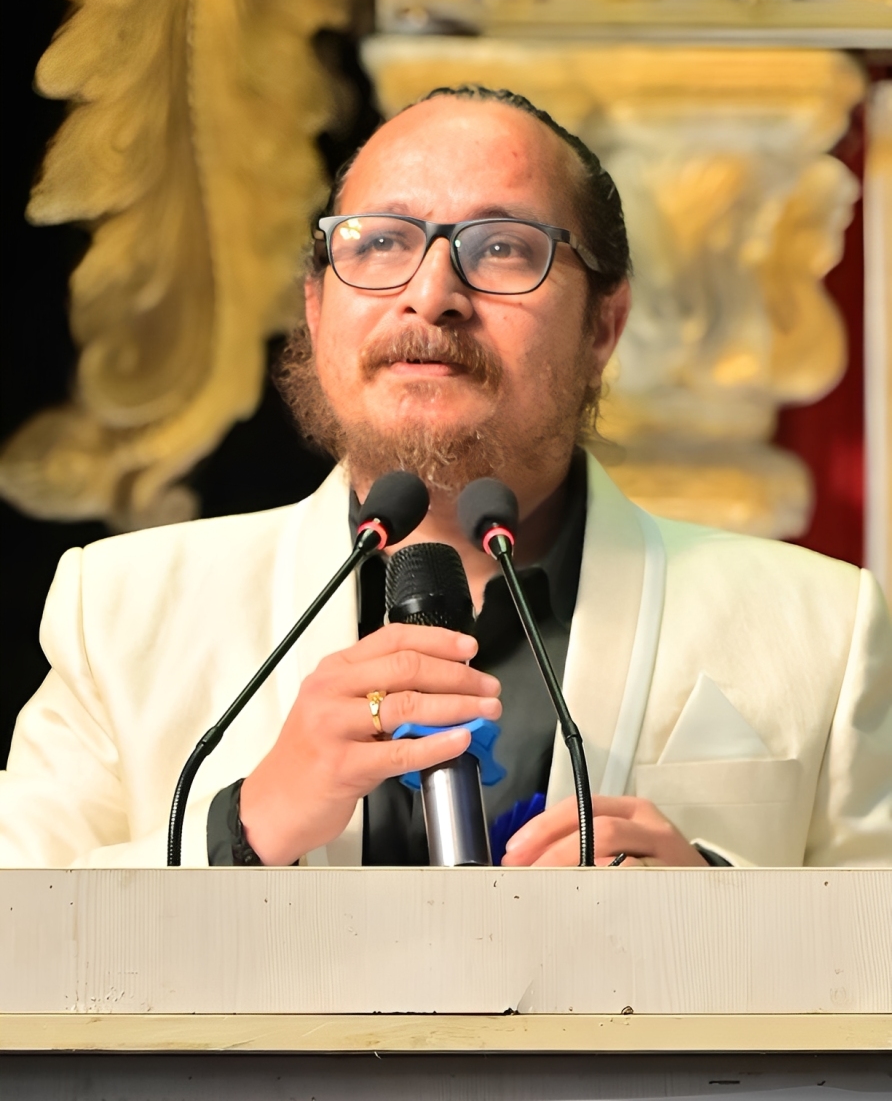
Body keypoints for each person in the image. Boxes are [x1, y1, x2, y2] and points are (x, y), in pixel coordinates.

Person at [1, 86, 889, 869]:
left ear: (603, 326)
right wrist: (244, 827)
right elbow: (21, 932)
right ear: (317, 309)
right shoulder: (116, 613)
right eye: (381, 242)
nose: (432, 294)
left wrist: (715, 915)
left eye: (501, 247)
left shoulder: (821, 627)